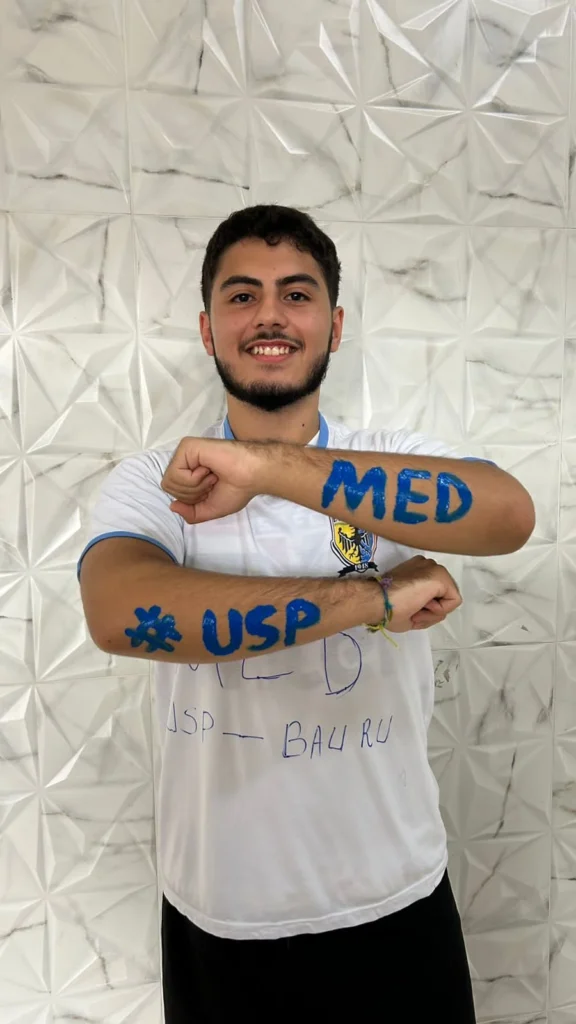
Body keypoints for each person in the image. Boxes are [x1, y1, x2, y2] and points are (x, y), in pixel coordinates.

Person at [78, 205, 535, 1023]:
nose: (269, 315)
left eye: (296, 294)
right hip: (223, 914)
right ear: (208, 330)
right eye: (241, 296)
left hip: (395, 898)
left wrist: (263, 467)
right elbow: (119, 612)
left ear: (335, 324)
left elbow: (508, 515)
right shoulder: (156, 481)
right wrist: (374, 598)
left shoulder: (388, 461)